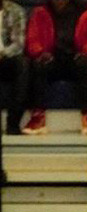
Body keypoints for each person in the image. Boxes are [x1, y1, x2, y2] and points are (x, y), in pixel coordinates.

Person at [23, 0, 87, 136]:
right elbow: (32, 40)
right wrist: (40, 52)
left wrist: (86, 52)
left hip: (76, 58)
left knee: (85, 65)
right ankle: (38, 117)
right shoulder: (40, 13)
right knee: (37, 66)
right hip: (52, 58)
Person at [0, 0, 29, 134]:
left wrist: (3, 53)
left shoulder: (15, 11)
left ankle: (13, 124)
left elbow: (18, 44)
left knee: (23, 64)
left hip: (6, 58)